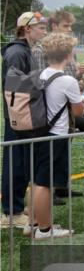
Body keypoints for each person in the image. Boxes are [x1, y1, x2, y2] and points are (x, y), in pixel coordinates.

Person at [24, 32, 84, 239]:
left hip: (38, 132)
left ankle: (33, 223)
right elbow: (78, 112)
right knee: (45, 184)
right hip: (56, 135)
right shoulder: (67, 80)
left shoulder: (40, 74)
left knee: (36, 181)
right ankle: (44, 229)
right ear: (67, 55)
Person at [1, 12, 47, 228]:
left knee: (22, 163)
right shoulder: (16, 53)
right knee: (16, 164)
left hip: (24, 116)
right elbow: (16, 90)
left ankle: (16, 207)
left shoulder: (24, 51)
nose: (44, 30)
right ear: (27, 28)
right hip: (18, 118)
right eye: (40, 26)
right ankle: (12, 212)